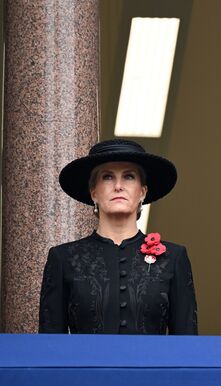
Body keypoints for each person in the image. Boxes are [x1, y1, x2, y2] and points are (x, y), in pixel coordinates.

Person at [39, 139, 198, 334]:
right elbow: (50, 345)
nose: (118, 186)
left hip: (151, 365)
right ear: (94, 192)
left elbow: (187, 344)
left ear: (142, 192)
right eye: (107, 177)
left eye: (129, 176)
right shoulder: (63, 258)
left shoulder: (173, 258)